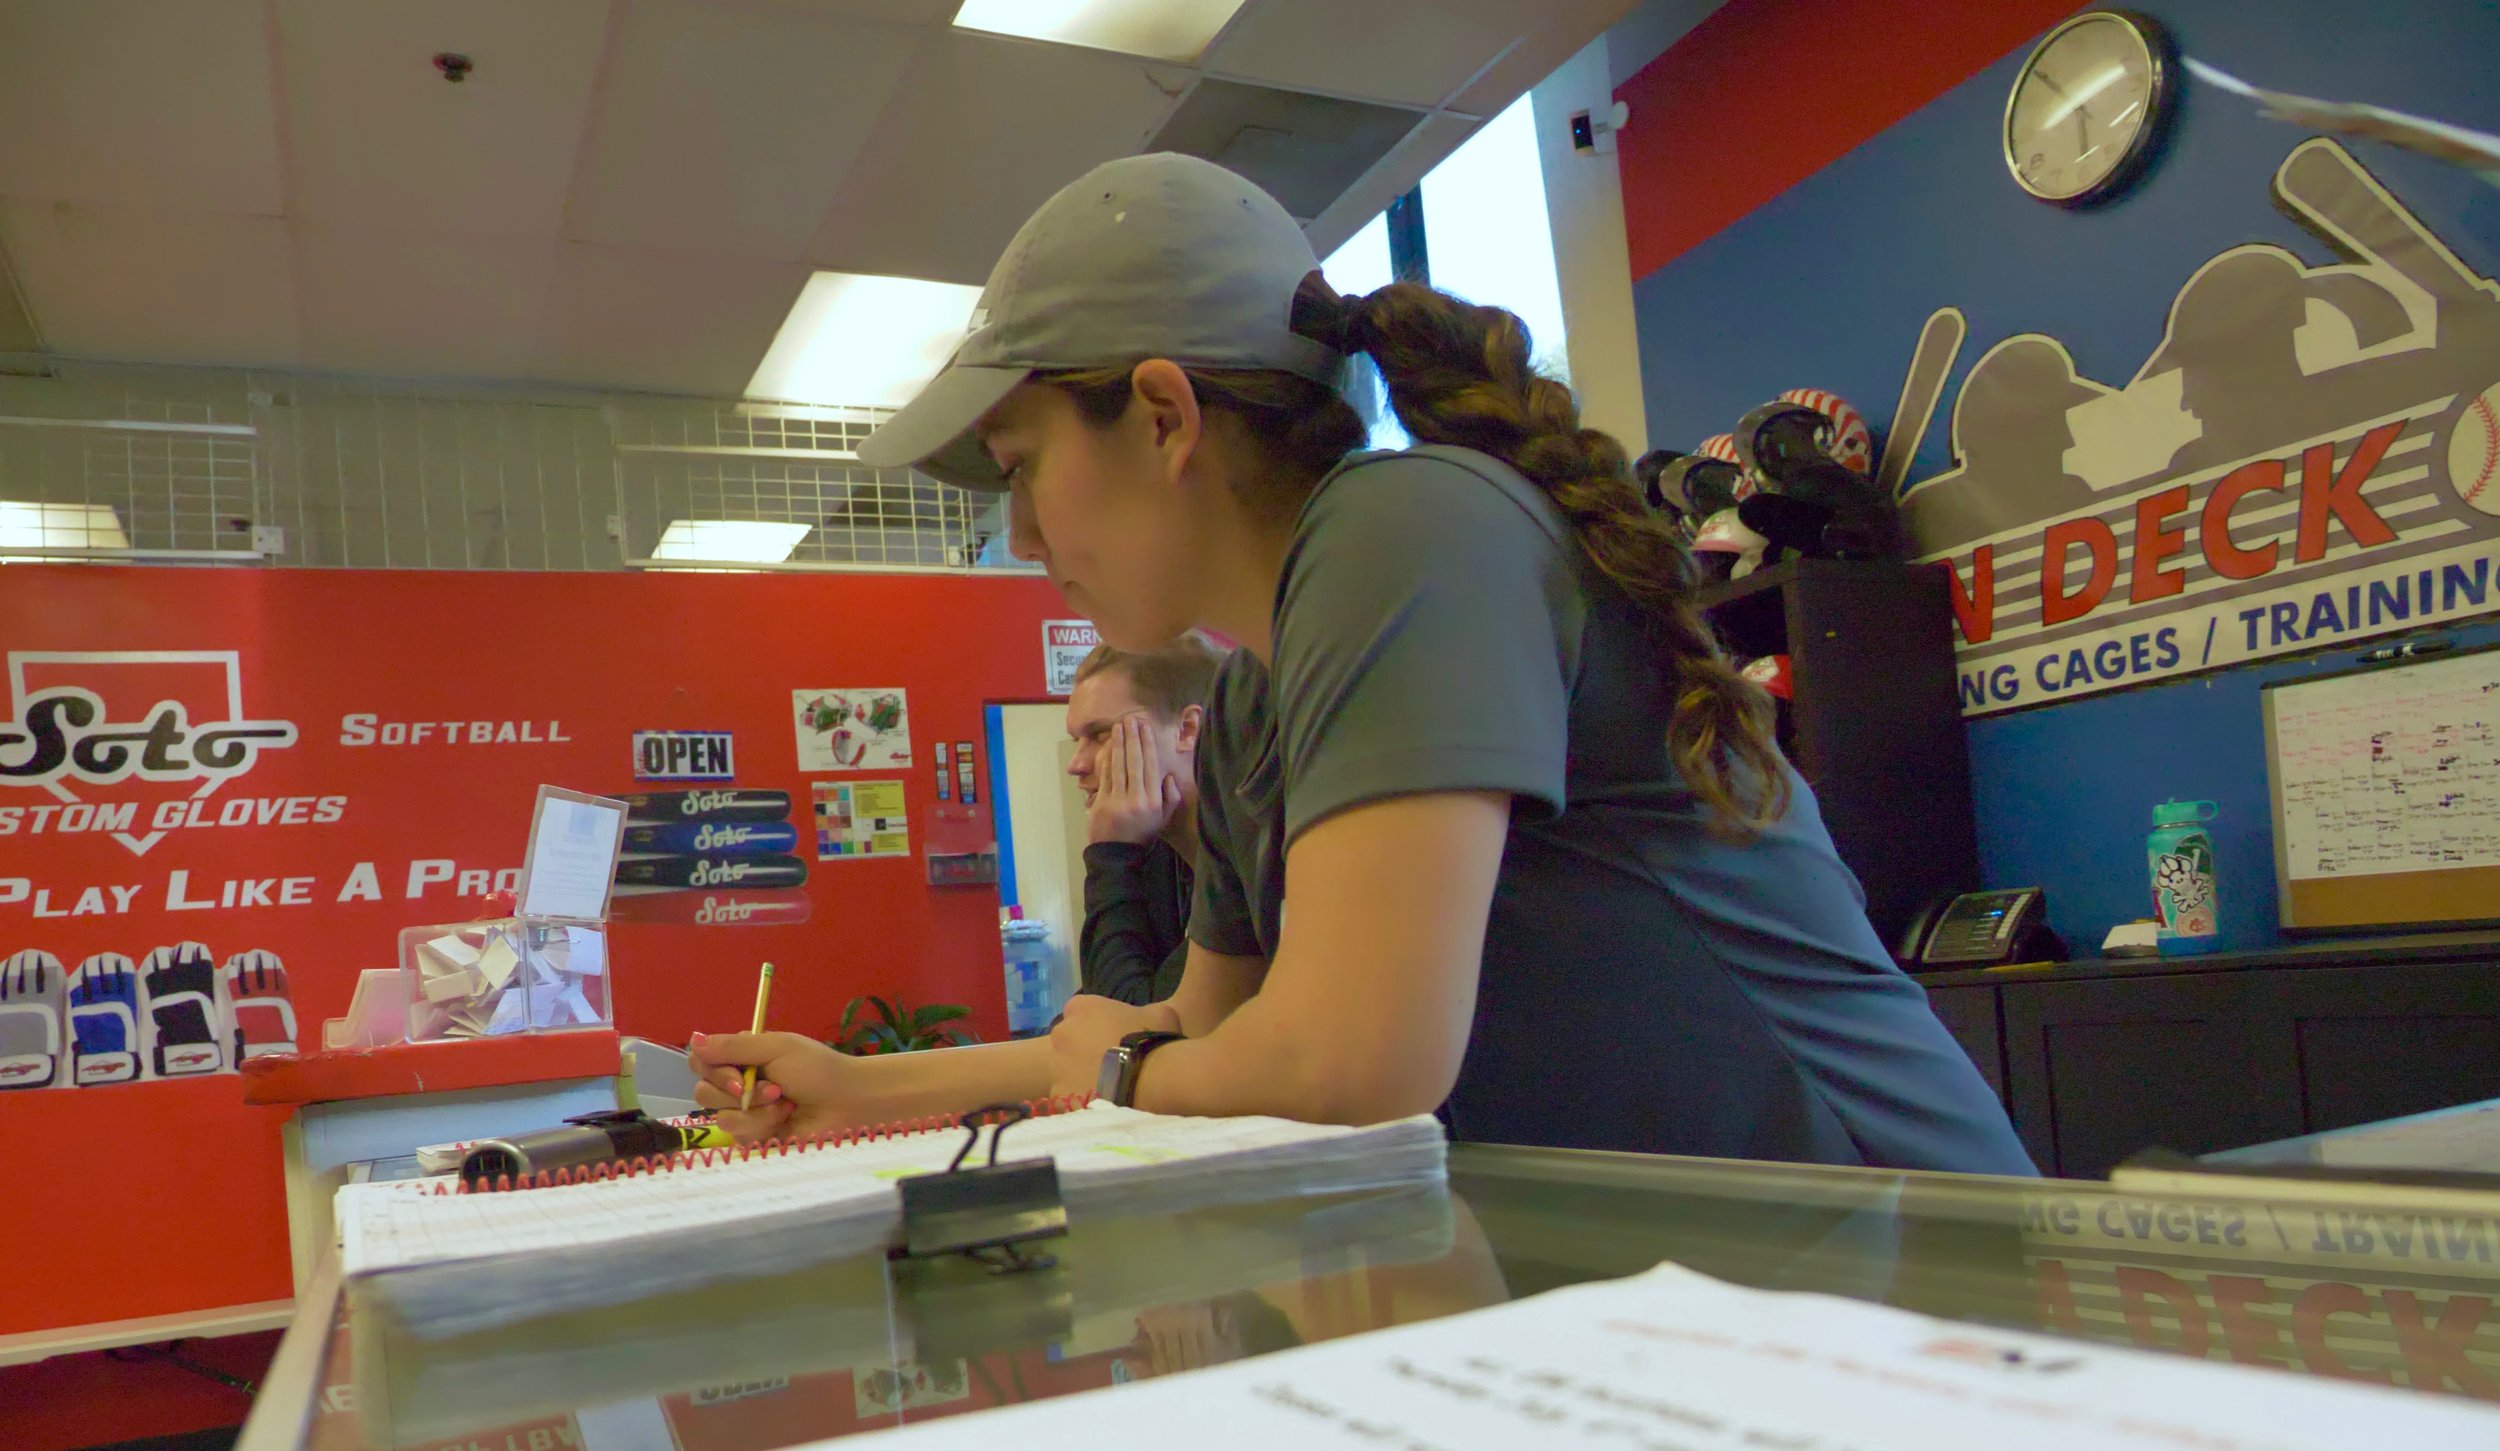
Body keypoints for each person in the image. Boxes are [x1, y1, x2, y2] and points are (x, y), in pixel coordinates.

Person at [693, 154, 2033, 1176]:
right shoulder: (1266, 684)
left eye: (1021, 466)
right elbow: (1179, 1027)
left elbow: (1346, 1054)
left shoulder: (1406, 528)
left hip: (1902, 1254)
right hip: (1712, 1286)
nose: (1026, 532)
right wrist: (846, 1090)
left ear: (1163, 416)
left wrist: (1130, 1066)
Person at [1064, 634, 1221, 1004]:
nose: (1076, 764)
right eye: (1076, 741)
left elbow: (1129, 1022)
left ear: (1188, 730)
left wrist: (1110, 856)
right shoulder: (1157, 851)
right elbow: (1094, 1002)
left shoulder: (1252, 860)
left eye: (1101, 734)